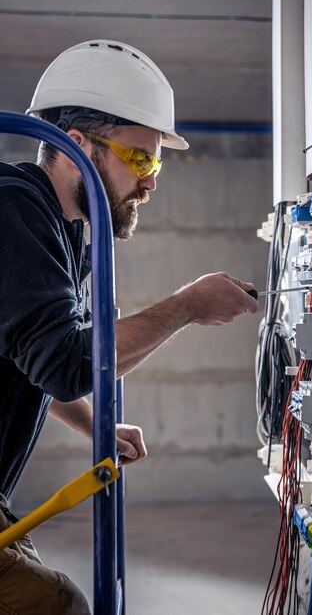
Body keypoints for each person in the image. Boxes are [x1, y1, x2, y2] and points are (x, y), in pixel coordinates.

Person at [0, 39, 258, 613]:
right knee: (56, 603)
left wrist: (95, 427)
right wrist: (187, 306)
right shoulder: (11, 211)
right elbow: (68, 364)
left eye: (156, 161)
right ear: (75, 147)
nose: (152, 182)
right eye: (140, 158)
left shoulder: (61, 230)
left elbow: (41, 359)